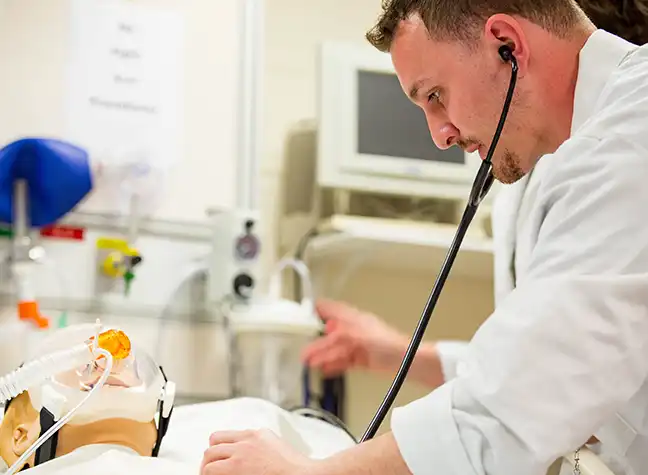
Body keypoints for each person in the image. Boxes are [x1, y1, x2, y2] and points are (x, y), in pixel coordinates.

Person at [200, 0, 648, 474]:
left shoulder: (626, 144)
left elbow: (511, 411)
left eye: (435, 95)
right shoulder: (585, 146)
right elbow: (532, 366)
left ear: (507, 45)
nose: (439, 136)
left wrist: (306, 473)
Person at [0, 324, 355, 474]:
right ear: (20, 437)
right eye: (78, 363)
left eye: (125, 362)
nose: (107, 360)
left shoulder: (250, 421)